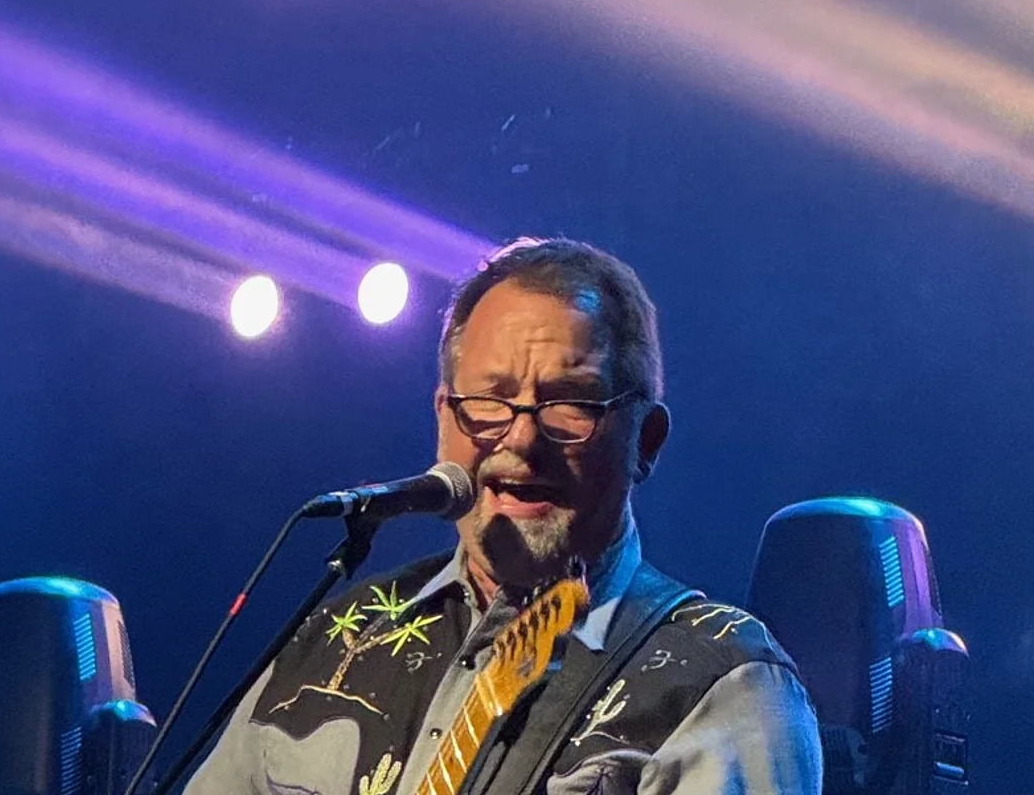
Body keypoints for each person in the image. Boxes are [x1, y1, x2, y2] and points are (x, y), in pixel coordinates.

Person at [186, 238, 821, 795]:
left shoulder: (720, 681)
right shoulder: (332, 639)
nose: (520, 438)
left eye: (570, 403)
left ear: (645, 441)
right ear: (444, 417)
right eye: (488, 399)